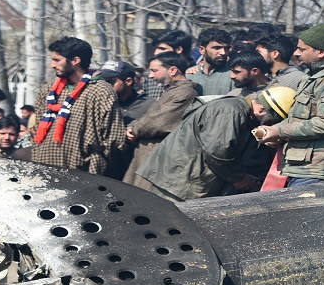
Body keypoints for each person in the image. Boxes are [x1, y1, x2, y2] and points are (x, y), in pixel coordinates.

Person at [137, 86, 296, 201]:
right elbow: (218, 152)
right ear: (262, 110)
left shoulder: (236, 110)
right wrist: (238, 178)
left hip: (182, 181)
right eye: (271, 121)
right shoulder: (230, 110)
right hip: (179, 183)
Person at [256, 22, 324, 185]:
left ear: (320, 52)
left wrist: (280, 130)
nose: (297, 53)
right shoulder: (315, 76)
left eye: (302, 49)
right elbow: (302, 117)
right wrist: (274, 132)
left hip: (321, 172)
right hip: (305, 167)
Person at [29, 37, 127, 175]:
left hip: (82, 173)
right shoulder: (49, 90)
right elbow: (37, 127)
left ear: (75, 61)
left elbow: (114, 138)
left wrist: (94, 163)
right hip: (43, 168)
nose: (52, 65)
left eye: (57, 60)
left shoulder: (99, 91)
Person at [123, 51, 201, 188]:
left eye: (154, 70)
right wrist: (133, 126)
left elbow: (158, 122)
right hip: (148, 155)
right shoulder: (171, 91)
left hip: (158, 158)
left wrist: (134, 129)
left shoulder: (185, 93)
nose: (151, 75)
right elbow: (148, 117)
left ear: (172, 70)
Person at [98, 59, 154, 124]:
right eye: (103, 82)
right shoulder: (100, 104)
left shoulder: (149, 105)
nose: (105, 86)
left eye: (110, 81)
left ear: (128, 81)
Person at [189, 28, 235, 96]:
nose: (223, 52)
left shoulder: (234, 76)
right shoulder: (190, 75)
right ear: (202, 50)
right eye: (217, 48)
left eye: (226, 48)